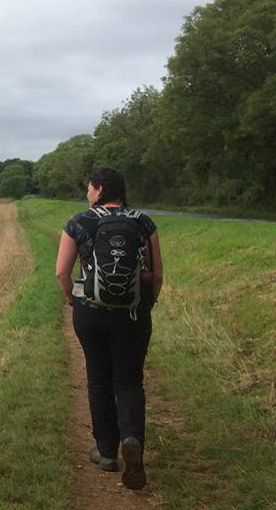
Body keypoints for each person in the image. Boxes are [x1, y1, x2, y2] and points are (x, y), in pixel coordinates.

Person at [55, 167, 164, 490]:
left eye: (89, 188)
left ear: (99, 189)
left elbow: (62, 273)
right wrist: (147, 304)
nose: (87, 193)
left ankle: (106, 453)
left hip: (91, 313)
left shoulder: (79, 222)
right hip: (132, 314)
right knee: (130, 380)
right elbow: (156, 276)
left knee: (99, 379)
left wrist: (73, 300)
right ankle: (132, 440)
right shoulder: (143, 222)